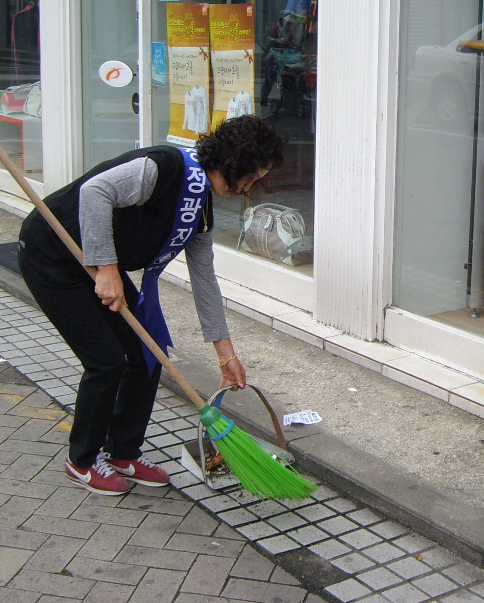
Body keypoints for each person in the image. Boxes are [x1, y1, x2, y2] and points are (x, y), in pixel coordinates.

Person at [18, 115, 286, 495]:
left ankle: (123, 452)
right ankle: (81, 461)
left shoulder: (202, 207)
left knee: (146, 353)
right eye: (252, 176)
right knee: (107, 360)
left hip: (94, 263)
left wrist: (226, 354)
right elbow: (96, 192)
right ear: (234, 160)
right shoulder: (164, 168)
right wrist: (109, 268)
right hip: (53, 255)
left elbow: (204, 280)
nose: (250, 186)